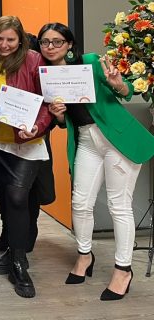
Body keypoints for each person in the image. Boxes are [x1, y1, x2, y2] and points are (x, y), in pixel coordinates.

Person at [38, 22, 154, 301]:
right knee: (80, 203)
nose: (50, 47)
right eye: (44, 42)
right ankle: (84, 255)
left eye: (56, 41)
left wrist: (120, 85)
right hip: (85, 140)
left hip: (116, 139)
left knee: (118, 206)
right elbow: (66, 122)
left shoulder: (89, 62)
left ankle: (123, 270)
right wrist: (57, 114)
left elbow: (124, 89)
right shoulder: (47, 76)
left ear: (69, 44)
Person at [0, 15, 52, 299]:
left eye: (11, 40)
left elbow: (47, 102)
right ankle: (12, 246)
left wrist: (38, 126)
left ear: (20, 40)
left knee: (17, 196)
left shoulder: (33, 60)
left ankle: (19, 262)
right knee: (5, 196)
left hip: (26, 142)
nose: (4, 45)